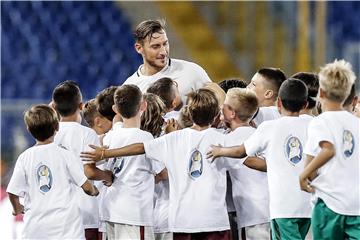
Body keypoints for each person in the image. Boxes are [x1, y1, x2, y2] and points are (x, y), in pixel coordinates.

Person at [81, 89, 244, 240]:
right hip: (213, 219)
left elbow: (140, 148)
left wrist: (106, 153)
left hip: (182, 221)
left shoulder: (173, 139)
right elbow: (242, 158)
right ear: (216, 114)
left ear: (190, 113)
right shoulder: (223, 140)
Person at [207, 79, 312, 240]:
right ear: (305, 105)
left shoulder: (267, 129)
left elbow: (242, 152)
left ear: (278, 103)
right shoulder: (310, 124)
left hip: (273, 209)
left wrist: (220, 151)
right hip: (307, 205)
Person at [7, 105, 99, 239]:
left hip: (36, 230)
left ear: (28, 130)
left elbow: (12, 191)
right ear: (57, 127)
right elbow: (86, 185)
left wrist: (17, 208)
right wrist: (94, 191)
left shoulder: (24, 158)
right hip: (67, 229)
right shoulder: (64, 154)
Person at [299, 59, 359, 239]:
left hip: (329, 203)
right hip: (356, 205)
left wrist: (304, 175)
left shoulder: (320, 121)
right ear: (348, 92)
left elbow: (327, 151)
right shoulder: (357, 124)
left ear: (321, 92)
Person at [52, 80, 113, 240]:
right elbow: (90, 171)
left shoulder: (49, 136)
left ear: (54, 106)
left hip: (56, 213)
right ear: (81, 106)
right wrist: (108, 176)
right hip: (84, 213)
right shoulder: (87, 134)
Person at [101, 84, 163, 240]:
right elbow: (162, 173)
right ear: (143, 105)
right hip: (134, 214)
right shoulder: (145, 138)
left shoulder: (110, 136)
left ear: (115, 109)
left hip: (111, 210)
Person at [220, 88, 271, 240]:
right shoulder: (261, 134)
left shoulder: (227, 141)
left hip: (252, 214)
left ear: (232, 113)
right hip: (272, 210)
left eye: (224, 105)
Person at [123, 19, 212, 103]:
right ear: (139, 48)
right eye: (156, 46)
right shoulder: (130, 87)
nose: (163, 51)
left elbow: (216, 103)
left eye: (165, 44)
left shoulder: (192, 71)